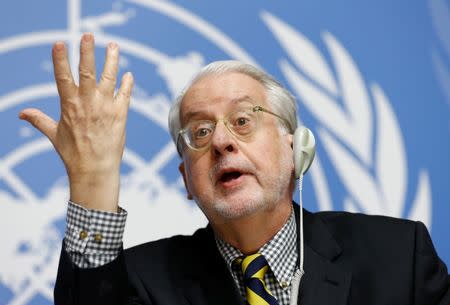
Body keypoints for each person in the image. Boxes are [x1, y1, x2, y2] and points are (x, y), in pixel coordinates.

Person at [19, 34, 450, 305]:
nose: (222, 141)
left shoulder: (398, 256)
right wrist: (92, 179)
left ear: (296, 147)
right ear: (186, 179)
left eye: (243, 120)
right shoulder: (141, 281)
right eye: (200, 132)